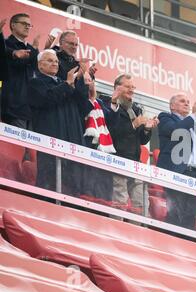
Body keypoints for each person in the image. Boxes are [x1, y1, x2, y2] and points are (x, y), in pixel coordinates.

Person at [28, 49, 90, 196]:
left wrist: (81, 79)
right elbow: (47, 99)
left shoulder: (64, 83)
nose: (55, 64)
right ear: (40, 65)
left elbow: (82, 106)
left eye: (56, 61)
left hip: (71, 142)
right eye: (50, 61)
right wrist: (68, 84)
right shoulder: (35, 82)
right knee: (49, 185)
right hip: (51, 143)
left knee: (72, 188)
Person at [104, 73, 157, 219]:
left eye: (133, 87)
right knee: (119, 201)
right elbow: (111, 132)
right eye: (128, 86)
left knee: (141, 204)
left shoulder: (136, 109)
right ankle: (115, 230)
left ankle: (139, 235)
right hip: (117, 160)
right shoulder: (107, 104)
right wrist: (134, 124)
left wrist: (147, 128)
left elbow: (141, 140)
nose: (132, 90)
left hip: (135, 163)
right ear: (117, 87)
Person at [157, 93, 196, 230]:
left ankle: (185, 247)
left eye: (188, 101)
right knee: (175, 212)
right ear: (172, 106)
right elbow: (176, 131)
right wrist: (192, 116)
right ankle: (168, 244)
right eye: (182, 101)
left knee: (191, 214)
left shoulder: (195, 124)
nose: (187, 103)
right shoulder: (166, 118)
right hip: (177, 171)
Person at [80, 74, 116, 203]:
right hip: (86, 147)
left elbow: (109, 120)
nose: (90, 84)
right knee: (88, 189)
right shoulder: (79, 99)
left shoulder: (99, 102)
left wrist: (112, 103)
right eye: (86, 81)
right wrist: (91, 99)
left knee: (101, 191)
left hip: (101, 149)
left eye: (91, 81)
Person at [1, 13, 40, 129]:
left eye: (29, 25)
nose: (27, 27)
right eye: (24, 24)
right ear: (13, 25)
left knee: (31, 146)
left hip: (30, 109)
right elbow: (16, 65)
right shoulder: (6, 45)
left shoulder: (30, 48)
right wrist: (32, 51)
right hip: (14, 106)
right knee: (17, 146)